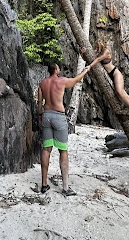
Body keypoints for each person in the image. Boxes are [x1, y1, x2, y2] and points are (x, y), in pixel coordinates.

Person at [37, 58, 99, 196]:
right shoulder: (62, 80)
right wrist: (84, 71)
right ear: (56, 70)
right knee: (63, 150)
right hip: (58, 116)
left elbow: (39, 102)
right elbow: (76, 80)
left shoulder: (42, 83)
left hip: (46, 115)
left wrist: (40, 116)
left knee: (46, 149)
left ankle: (44, 184)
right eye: (59, 68)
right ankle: (65, 188)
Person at [93, 40, 129, 124]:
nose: (96, 48)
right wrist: (82, 53)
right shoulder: (98, 53)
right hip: (110, 76)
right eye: (95, 47)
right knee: (124, 95)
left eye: (97, 47)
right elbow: (89, 58)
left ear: (101, 46)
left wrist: (90, 66)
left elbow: (98, 59)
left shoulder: (106, 51)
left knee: (120, 92)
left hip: (115, 73)